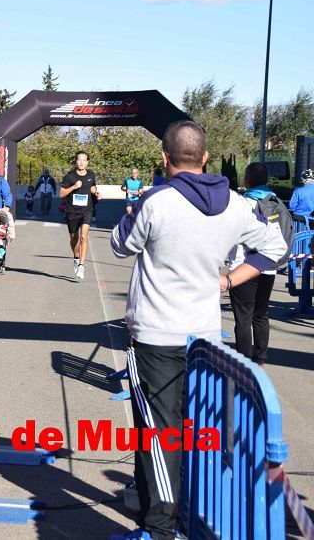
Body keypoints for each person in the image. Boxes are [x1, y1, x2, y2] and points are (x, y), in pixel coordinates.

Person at [109, 121, 286, 540]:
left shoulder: (156, 201)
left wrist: (131, 209)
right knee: (197, 432)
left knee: (159, 434)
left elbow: (120, 244)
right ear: (205, 157)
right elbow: (275, 248)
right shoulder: (237, 204)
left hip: (155, 335)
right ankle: (183, 512)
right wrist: (227, 280)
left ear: (165, 159)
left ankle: (158, 529)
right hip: (205, 337)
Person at [227, 163, 284, 368]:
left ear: (246, 180)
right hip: (269, 266)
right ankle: (260, 360)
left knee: (243, 317)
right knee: (261, 315)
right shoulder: (276, 201)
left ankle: (243, 361)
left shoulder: (242, 203)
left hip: (243, 267)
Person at [59, 151, 99, 281]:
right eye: (79, 160)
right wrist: (74, 187)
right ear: (76, 162)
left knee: (83, 237)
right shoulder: (69, 177)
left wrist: (96, 193)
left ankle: (81, 265)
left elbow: (92, 187)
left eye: (84, 160)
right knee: (74, 238)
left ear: (87, 162)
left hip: (87, 210)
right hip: (72, 211)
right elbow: (62, 194)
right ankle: (76, 257)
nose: (81, 162)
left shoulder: (91, 175)